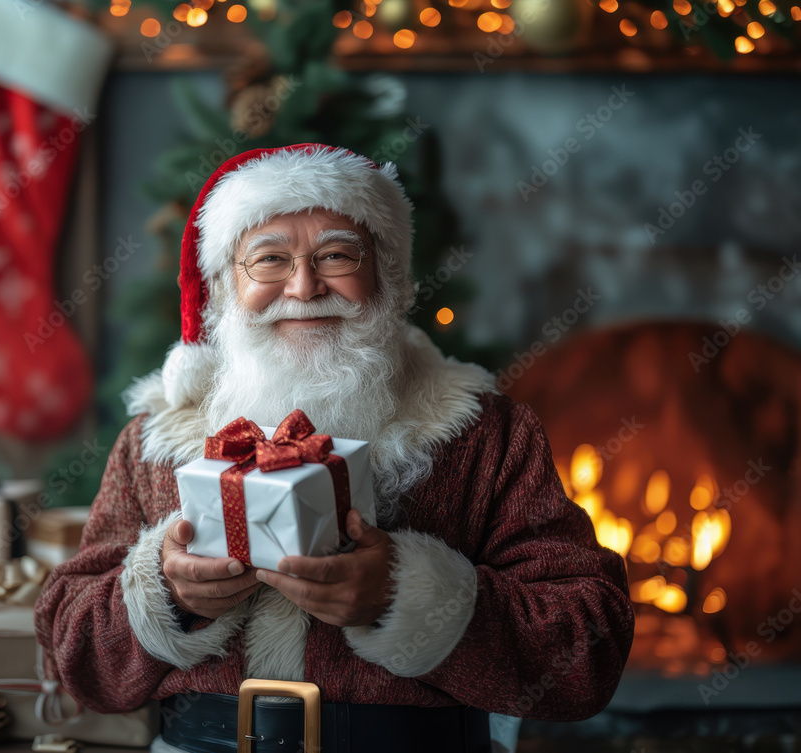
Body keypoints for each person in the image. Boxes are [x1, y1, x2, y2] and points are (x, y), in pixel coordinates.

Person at [33, 143, 635, 753]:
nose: (303, 285)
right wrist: (163, 597)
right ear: (221, 289)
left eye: (338, 255)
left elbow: (590, 655)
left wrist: (412, 599)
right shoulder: (156, 442)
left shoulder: (483, 433)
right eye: (268, 260)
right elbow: (73, 656)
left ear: (389, 277)